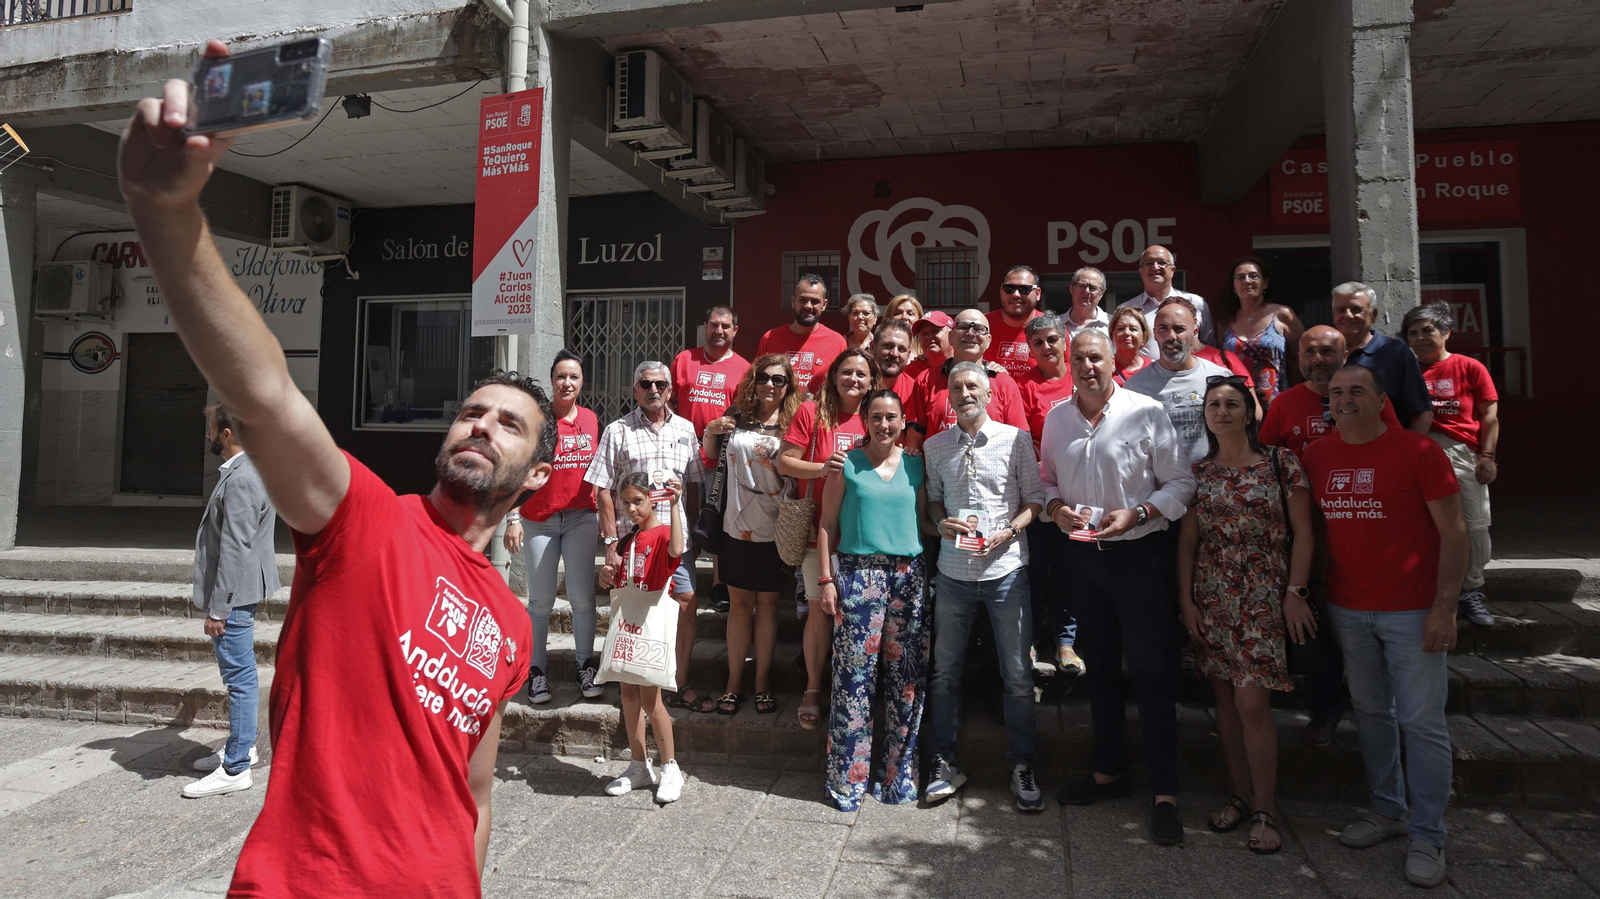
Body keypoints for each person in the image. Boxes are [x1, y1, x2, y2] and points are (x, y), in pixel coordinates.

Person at [118, 42, 550, 893]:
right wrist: (166, 213)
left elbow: (477, 788)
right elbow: (267, 393)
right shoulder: (367, 520)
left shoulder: (511, 621)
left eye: (509, 425)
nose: (481, 425)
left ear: (535, 476)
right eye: (472, 410)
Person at [1302, 365, 1466, 890]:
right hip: (1349, 608)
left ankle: (1428, 833)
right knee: (1371, 712)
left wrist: (1445, 607)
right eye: (1337, 393)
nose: (1345, 400)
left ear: (1380, 400)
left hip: (1414, 610)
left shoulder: (1419, 453)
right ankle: (1389, 809)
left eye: (1357, 391)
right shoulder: (1318, 454)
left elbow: (1455, 534)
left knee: (1422, 723)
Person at [1040, 330, 1195, 847]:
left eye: (1096, 357)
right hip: (1083, 559)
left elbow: (1181, 483)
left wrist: (1143, 512)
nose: (1087, 365)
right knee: (1100, 667)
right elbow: (1046, 481)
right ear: (1070, 363)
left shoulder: (1147, 411)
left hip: (1141, 559)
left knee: (1152, 672)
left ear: (1115, 361)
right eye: (1078, 358)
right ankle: (1109, 773)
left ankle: (1166, 793)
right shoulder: (1057, 418)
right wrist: (1053, 508)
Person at [1177, 376, 1316, 854]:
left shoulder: (1281, 463)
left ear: (1250, 410)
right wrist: (1187, 601)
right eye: (1213, 404)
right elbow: (1189, 543)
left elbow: (1304, 533)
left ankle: (1265, 808)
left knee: (1252, 704)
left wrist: (1295, 591)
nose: (1222, 411)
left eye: (1232, 403)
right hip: (1214, 596)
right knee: (1226, 707)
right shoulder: (1200, 472)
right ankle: (1238, 796)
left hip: (1263, 596)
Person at [1259, 324, 1402, 748]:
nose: (1318, 359)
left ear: (1346, 355)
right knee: (1316, 630)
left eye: (1327, 351)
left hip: (1363, 530)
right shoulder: (1284, 404)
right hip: (1303, 536)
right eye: (1310, 352)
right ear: (1298, 358)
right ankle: (1326, 711)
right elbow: (1266, 464)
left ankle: (1375, 710)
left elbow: (1394, 448)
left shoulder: (1372, 398)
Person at [921, 363, 1046, 811]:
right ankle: (941, 762)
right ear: (949, 397)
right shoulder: (935, 447)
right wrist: (940, 520)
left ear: (990, 394)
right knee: (944, 673)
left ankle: (1023, 764)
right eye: (957, 387)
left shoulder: (1015, 440)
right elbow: (933, 497)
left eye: (973, 385)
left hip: (1006, 571)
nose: (965, 392)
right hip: (953, 572)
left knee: (1016, 675)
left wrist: (1010, 531)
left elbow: (1034, 499)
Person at [816, 389, 931, 811]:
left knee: (906, 683)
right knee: (853, 682)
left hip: (908, 578)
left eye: (892, 417)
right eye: (877, 417)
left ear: (904, 421)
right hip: (858, 576)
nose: (885, 425)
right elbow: (826, 524)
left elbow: (923, 522)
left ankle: (898, 777)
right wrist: (826, 580)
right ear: (864, 420)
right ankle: (847, 781)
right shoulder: (844, 464)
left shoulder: (916, 466)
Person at [586, 362, 711, 713]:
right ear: (635, 389)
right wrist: (611, 545)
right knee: (632, 608)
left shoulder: (686, 429)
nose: (653, 389)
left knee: (685, 603)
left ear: (670, 390)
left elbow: (693, 486)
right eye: (646, 383)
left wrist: (693, 533)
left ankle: (677, 681)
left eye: (660, 384)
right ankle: (632, 682)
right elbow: (603, 491)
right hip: (631, 542)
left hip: (673, 541)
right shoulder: (616, 430)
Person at [776, 349, 879, 728]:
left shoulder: (876, 415)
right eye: (847, 372)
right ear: (834, 375)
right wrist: (823, 469)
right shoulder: (812, 412)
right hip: (818, 531)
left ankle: (853, 690)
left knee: (857, 617)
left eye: (861, 374)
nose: (854, 379)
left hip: (867, 534)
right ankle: (814, 688)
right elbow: (784, 460)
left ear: (872, 381)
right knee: (821, 611)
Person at [183, 401, 280, 799]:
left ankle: (237, 765)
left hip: (233, 595)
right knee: (239, 675)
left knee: (239, 678)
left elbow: (236, 546)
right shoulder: (249, 470)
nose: (207, 436)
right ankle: (245, 748)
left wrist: (219, 607)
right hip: (239, 590)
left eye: (211, 428)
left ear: (226, 434)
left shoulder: (242, 478)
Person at [700, 355, 803, 715]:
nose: (770, 385)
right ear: (753, 380)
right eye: (763, 378)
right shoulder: (737, 414)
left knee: (770, 605)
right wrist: (711, 431)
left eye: (778, 379)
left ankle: (762, 683)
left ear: (788, 385)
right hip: (734, 524)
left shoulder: (796, 420)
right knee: (740, 606)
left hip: (777, 526)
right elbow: (711, 456)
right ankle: (733, 683)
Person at [503, 350, 603, 705]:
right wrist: (512, 517)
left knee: (583, 599)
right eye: (561, 376)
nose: (567, 383)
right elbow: (517, 466)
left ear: (581, 382)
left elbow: (600, 471)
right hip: (539, 520)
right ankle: (537, 672)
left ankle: (584, 667)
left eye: (574, 377)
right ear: (551, 380)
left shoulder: (591, 419)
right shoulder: (538, 420)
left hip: (581, 518)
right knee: (541, 601)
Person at [1404, 302, 1498, 628]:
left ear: (1446, 332)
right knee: (1422, 524)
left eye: (1427, 330)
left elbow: (1489, 415)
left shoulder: (1470, 367)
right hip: (1417, 449)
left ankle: (1471, 590)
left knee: (1473, 523)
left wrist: (1487, 456)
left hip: (1461, 452)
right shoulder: (1405, 370)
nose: (1418, 338)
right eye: (1412, 333)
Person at [597, 472, 688, 804]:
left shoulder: (663, 534)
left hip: (649, 623)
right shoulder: (628, 540)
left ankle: (670, 766)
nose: (632, 509)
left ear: (652, 499)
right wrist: (607, 574)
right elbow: (621, 581)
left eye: (638, 501)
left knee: (652, 700)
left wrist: (676, 505)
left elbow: (677, 550)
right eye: (626, 503)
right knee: (629, 698)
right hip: (629, 623)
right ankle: (638, 764)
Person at [671, 306, 750, 613]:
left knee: (720, 521)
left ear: (735, 331)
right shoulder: (684, 360)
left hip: (722, 461)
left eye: (726, 326)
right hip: (683, 456)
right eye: (714, 325)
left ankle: (719, 583)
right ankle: (680, 577)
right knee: (682, 518)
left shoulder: (743, 368)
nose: (719, 331)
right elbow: (669, 402)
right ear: (704, 326)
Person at [1017, 313, 1081, 674]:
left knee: (1069, 571)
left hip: (1081, 493)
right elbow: (1027, 441)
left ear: (1064, 340)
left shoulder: (1080, 375)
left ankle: (1066, 643)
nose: (1046, 347)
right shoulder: (1023, 384)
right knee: (1035, 571)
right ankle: (1028, 641)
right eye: (1038, 343)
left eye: (1052, 340)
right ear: (1030, 349)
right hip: (1040, 494)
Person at [1123, 298, 1241, 463]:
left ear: (1194, 332)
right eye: (1163, 328)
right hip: (1163, 485)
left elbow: (1239, 433)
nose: (1171, 336)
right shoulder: (1135, 388)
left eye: (1179, 329)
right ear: (1154, 333)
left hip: (1214, 482)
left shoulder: (1221, 379)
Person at [905, 308, 1029, 451]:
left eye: (978, 328)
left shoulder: (1005, 384)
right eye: (963, 327)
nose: (970, 333)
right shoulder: (925, 380)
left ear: (988, 340)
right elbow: (915, 439)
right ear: (950, 337)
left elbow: (1020, 441)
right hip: (939, 471)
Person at [1332, 282, 1433, 433]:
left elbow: (1422, 412)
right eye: (1341, 310)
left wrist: (1409, 453)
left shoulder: (1394, 352)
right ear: (1334, 315)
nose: (1347, 315)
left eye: (1356, 309)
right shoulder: (1322, 353)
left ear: (1374, 315)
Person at [1212, 257, 1303, 408]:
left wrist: (1291, 389)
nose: (1247, 281)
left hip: (1277, 402)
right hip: (1237, 404)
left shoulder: (1282, 314)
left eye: (1253, 276)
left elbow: (1300, 356)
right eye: (1240, 277)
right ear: (1234, 287)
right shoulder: (1225, 322)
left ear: (1265, 283)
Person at [759, 274, 849, 398]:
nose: (808, 306)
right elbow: (756, 381)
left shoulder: (837, 342)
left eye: (815, 301)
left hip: (816, 416)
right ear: (793, 301)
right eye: (803, 300)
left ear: (824, 305)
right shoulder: (770, 338)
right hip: (776, 416)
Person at [1117, 244, 1214, 358]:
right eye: (1149, 263)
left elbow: (1209, 347)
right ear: (1141, 272)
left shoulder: (1196, 303)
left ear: (1172, 270)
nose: (1155, 267)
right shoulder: (1126, 309)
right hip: (1144, 375)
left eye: (1162, 263)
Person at [985, 265, 1044, 379]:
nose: (1016, 295)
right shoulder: (981, 326)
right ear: (1001, 291)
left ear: (1038, 293)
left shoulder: (1052, 329)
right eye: (1009, 289)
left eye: (1024, 289)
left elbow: (1064, 373)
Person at [872, 318, 918, 399]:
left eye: (901, 349)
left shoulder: (915, 392)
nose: (894, 354)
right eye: (888, 346)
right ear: (873, 347)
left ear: (908, 354)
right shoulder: (856, 385)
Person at [904, 309, 953, 382]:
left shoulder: (965, 366)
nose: (928, 336)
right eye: (924, 334)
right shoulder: (911, 372)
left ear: (952, 335)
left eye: (935, 331)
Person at [1063, 267, 1111, 339]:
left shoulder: (1113, 325)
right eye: (1082, 286)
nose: (1087, 291)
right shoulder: (1056, 325)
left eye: (1092, 288)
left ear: (1101, 294)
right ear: (1071, 289)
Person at [1109, 306, 1153, 384]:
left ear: (1144, 337)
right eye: (1121, 329)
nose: (1126, 332)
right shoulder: (1105, 367)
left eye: (1133, 329)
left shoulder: (1153, 368)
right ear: (1112, 336)